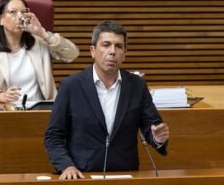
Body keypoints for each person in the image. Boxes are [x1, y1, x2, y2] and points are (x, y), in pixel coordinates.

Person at [44, 20, 169, 180]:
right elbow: (53, 136)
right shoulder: (71, 86)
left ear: (124, 53)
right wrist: (67, 166)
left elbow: (152, 128)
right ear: (93, 51)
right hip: (82, 174)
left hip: (125, 174)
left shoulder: (137, 86)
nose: (112, 52)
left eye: (118, 46)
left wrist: (157, 138)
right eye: (106, 45)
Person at [0, 0, 79, 103]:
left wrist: (43, 33)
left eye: (23, 12)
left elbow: (72, 54)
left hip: (41, 110)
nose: (20, 16)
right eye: (13, 12)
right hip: (8, 112)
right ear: (1, 20)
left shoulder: (40, 43)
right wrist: (0, 95)